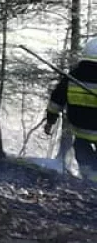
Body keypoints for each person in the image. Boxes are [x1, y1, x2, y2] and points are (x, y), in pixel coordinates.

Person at [44, 37, 97, 182]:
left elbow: (56, 100)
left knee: (82, 150)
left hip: (80, 129)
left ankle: (90, 180)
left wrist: (50, 121)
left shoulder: (73, 76)